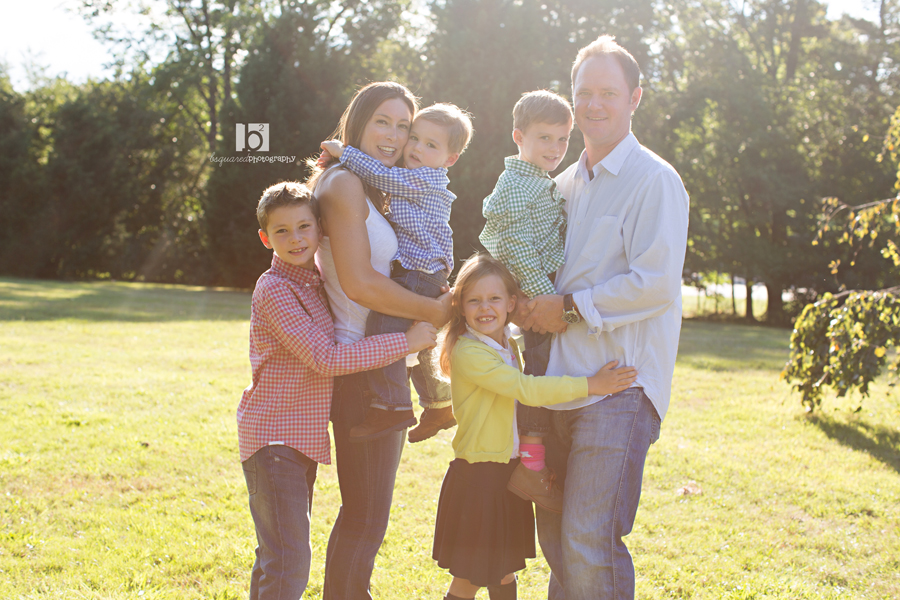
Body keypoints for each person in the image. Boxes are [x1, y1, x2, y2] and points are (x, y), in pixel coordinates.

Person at [521, 36, 690, 600]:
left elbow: (657, 284)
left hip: (620, 387)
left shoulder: (654, 180)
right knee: (558, 542)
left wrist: (569, 308)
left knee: (589, 541)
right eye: (584, 92)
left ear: (634, 98)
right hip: (557, 387)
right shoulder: (559, 185)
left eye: (608, 93)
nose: (594, 104)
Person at [236, 181, 438, 599]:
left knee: (278, 555)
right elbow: (325, 358)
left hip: (296, 440)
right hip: (275, 439)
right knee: (289, 560)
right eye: (282, 231)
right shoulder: (275, 289)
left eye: (303, 227)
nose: (296, 239)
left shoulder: (314, 282)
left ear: (320, 229)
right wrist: (406, 342)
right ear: (265, 238)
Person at [306, 81, 452, 600]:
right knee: (366, 516)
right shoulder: (345, 183)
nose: (393, 136)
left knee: (367, 515)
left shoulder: (369, 185)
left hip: (381, 360)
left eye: (404, 126)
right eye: (382, 122)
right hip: (362, 370)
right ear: (358, 123)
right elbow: (360, 283)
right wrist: (437, 310)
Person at [431, 253, 637, 600]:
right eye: (474, 300)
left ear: (511, 303)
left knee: (503, 572)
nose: (485, 308)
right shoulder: (469, 352)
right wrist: (591, 385)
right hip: (480, 477)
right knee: (470, 579)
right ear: (461, 306)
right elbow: (527, 389)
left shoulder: (506, 344)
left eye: (494, 298)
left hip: (507, 475)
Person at [319, 102, 474, 444]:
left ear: (450, 158)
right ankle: (439, 404)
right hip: (423, 270)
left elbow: (383, 175)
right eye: (414, 137)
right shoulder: (414, 176)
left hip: (419, 271)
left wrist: (344, 153)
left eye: (430, 145)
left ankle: (392, 405)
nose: (416, 147)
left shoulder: (422, 179)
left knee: (383, 328)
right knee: (419, 337)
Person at [479, 90, 573, 514]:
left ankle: (538, 459)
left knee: (543, 369)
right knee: (535, 375)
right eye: (544, 138)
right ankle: (532, 467)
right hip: (536, 289)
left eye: (562, 139)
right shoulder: (518, 184)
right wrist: (542, 297)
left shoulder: (537, 179)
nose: (555, 148)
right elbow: (517, 247)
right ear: (519, 136)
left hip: (539, 286)